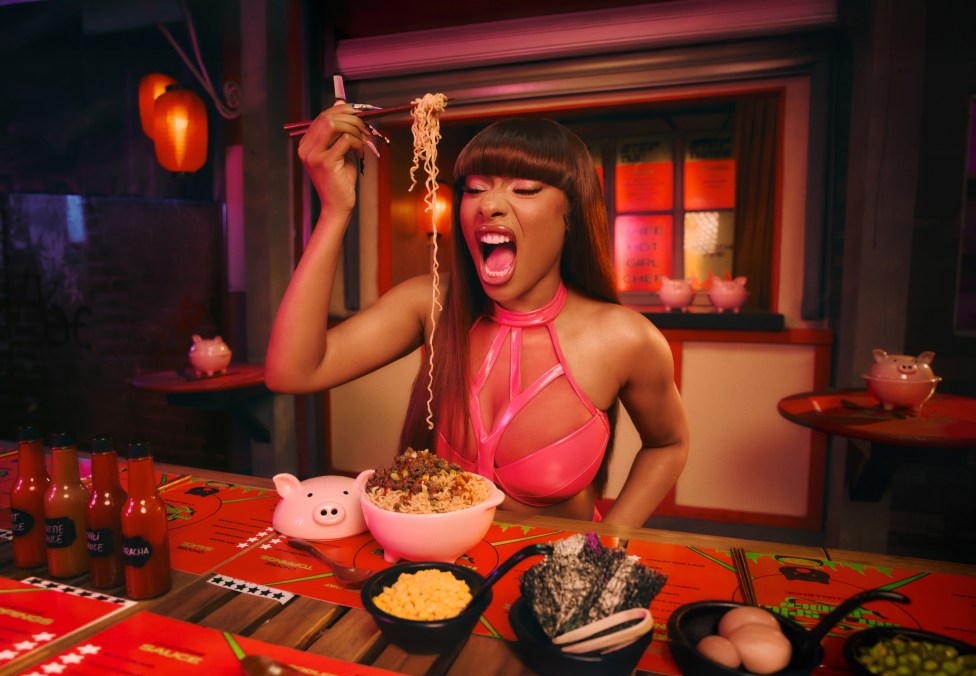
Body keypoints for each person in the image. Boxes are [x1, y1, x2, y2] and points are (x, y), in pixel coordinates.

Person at [265, 105, 688, 528]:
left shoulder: (625, 338)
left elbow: (668, 444)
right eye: (474, 188)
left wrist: (610, 541)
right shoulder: (431, 302)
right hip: (442, 556)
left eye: (525, 189)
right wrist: (335, 209)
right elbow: (291, 373)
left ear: (571, 215)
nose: (489, 204)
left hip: (558, 559)